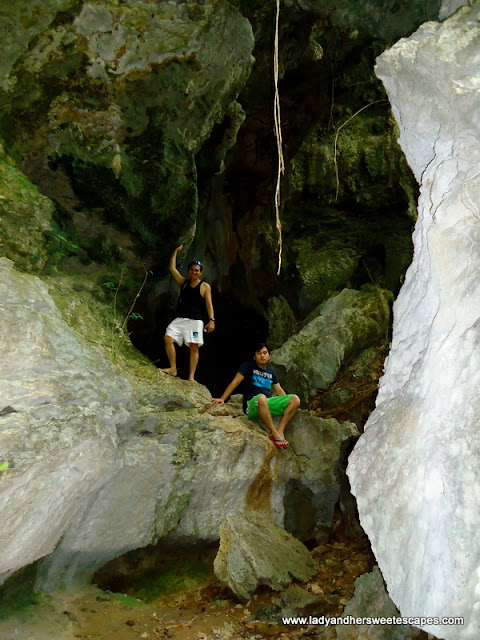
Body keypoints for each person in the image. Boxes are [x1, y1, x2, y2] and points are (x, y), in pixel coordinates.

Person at [211, 344, 300, 448]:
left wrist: (288, 405)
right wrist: (222, 399)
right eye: (259, 353)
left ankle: (280, 431)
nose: (262, 356)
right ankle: (273, 433)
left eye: (265, 353)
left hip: (266, 403)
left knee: (295, 399)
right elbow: (235, 382)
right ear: (254, 357)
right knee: (261, 397)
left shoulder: (271, 372)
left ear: (269, 356)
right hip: (251, 405)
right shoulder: (248, 366)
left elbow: (279, 390)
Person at [162, 245, 215, 381]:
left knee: (194, 347)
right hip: (181, 319)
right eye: (192, 270)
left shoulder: (204, 286)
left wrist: (211, 320)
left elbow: (209, 304)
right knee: (168, 338)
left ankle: (191, 377)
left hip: (195, 322)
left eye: (197, 271)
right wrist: (175, 252)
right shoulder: (183, 282)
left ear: (200, 273)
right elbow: (172, 269)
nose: (194, 272)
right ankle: (173, 368)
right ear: (188, 271)